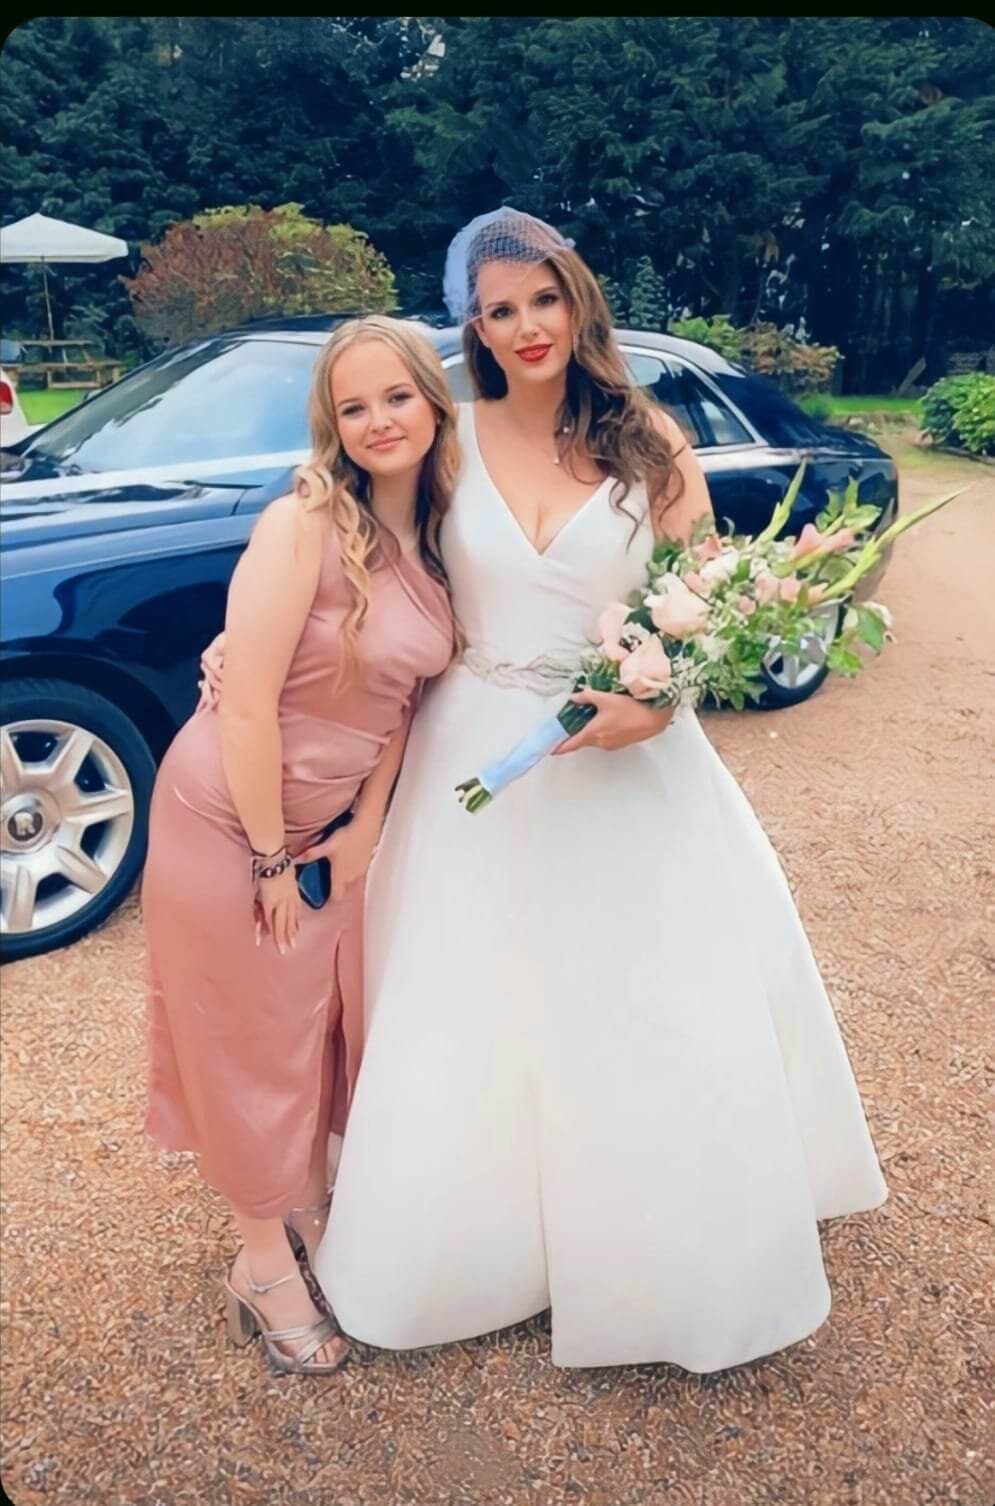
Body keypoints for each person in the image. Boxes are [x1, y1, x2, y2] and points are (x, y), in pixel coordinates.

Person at [202, 210, 887, 1372]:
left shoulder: (650, 441)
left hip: (626, 761)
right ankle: (478, 1248)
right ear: (472, 326)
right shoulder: (445, 438)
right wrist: (248, 656)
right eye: (498, 309)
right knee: (460, 1000)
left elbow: (706, 609)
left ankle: (669, 1246)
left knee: (645, 995)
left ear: (578, 303)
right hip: (465, 755)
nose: (525, 328)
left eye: (543, 300)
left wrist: (658, 703)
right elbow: (349, 562)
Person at [144, 316, 456, 1376]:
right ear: (331, 424)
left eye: (395, 398)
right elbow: (246, 709)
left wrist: (362, 828)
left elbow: (404, 704)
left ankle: (312, 1215)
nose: (376, 422)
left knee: (317, 1032)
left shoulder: (441, 540)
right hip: (228, 819)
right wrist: (273, 858)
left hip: (332, 824)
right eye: (352, 406)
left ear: (432, 401)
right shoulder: (300, 525)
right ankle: (258, 1260)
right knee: (246, 1043)